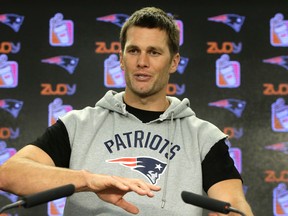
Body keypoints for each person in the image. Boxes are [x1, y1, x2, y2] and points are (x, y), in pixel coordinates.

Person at [0, 6, 254, 216]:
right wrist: (87, 180)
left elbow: (234, 204)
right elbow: (9, 175)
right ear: (121, 58)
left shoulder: (203, 137)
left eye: (154, 52)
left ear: (174, 62)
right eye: (133, 51)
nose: (142, 62)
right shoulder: (79, 125)